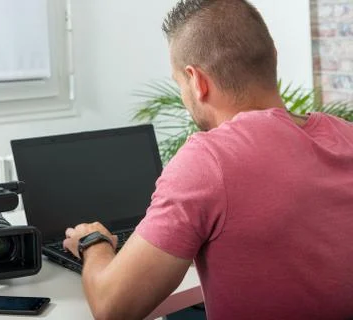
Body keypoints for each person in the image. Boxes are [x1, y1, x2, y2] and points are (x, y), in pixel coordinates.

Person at [62, 0, 353, 319]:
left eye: (179, 84)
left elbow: (113, 307)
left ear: (197, 81)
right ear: (273, 58)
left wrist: (93, 242)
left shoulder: (210, 159)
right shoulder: (346, 135)